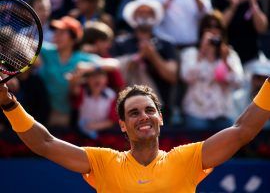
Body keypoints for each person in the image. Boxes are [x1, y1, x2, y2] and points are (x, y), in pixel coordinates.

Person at [1, 75, 270, 192]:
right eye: (133, 113)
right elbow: (44, 143)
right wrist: (9, 104)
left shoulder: (186, 159)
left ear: (160, 118)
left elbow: (242, 131)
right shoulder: (103, 163)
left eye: (150, 110)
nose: (144, 116)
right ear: (122, 124)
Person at [111, 0, 178, 123]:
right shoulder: (120, 44)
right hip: (128, 109)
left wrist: (152, 55)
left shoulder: (166, 44)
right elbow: (115, 75)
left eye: (148, 12)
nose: (145, 15)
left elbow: (172, 76)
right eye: (141, 12)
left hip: (161, 109)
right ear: (133, 16)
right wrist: (136, 58)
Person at [180, 11, 244, 130]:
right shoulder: (190, 53)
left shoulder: (230, 54)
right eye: (208, 27)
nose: (213, 31)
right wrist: (202, 52)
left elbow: (239, 83)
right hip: (196, 112)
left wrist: (226, 61)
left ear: (222, 31)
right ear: (202, 31)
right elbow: (187, 77)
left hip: (223, 113)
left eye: (217, 27)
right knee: (197, 148)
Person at [211, 0, 268, 65]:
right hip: (229, 59)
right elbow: (220, 25)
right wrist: (233, 6)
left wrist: (253, 4)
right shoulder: (219, 1)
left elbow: (262, 28)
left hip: (252, 57)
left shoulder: (253, 0)